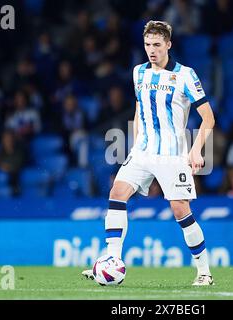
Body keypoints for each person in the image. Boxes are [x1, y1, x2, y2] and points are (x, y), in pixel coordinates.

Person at [82, 20, 215, 286]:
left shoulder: (185, 75)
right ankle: (112, 261)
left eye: (156, 45)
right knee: (117, 194)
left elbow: (208, 118)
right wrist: (135, 142)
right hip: (142, 152)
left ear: (168, 44)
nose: (151, 50)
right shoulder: (138, 73)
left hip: (172, 154)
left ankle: (204, 272)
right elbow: (140, 109)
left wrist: (196, 150)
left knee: (180, 211)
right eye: (147, 45)